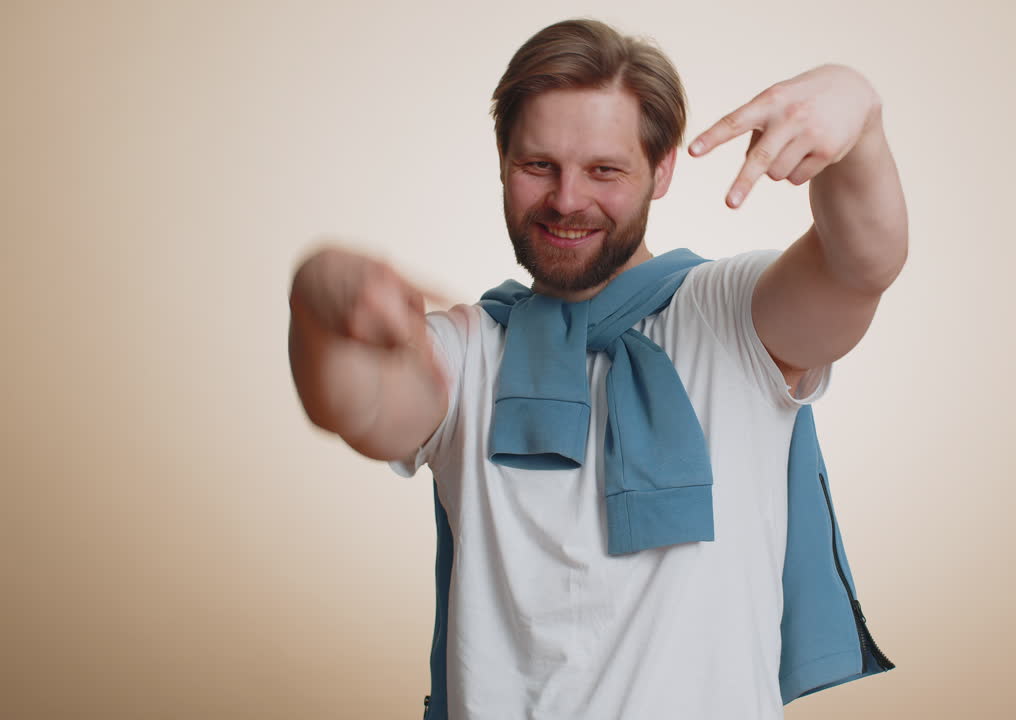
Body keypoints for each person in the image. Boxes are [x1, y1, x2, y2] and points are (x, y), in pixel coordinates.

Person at [288, 18, 907, 720]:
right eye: (538, 165)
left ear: (663, 168)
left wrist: (861, 121)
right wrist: (320, 291)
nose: (567, 199)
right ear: (501, 159)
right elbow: (353, 404)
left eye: (604, 170)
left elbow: (861, 264)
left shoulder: (737, 321)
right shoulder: (467, 353)